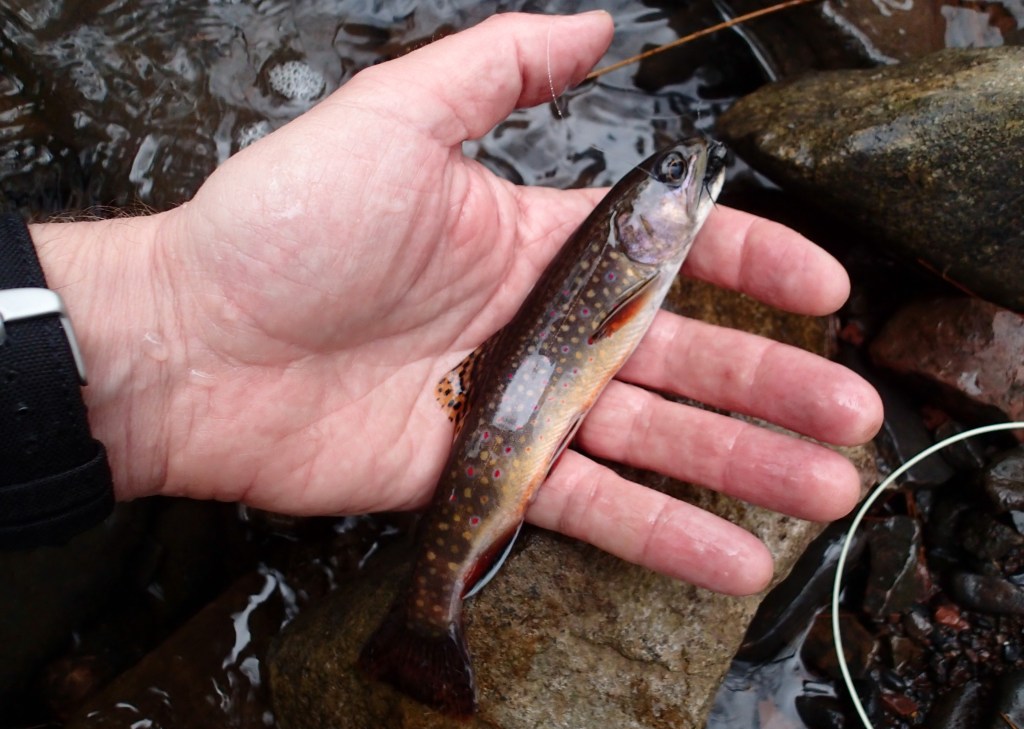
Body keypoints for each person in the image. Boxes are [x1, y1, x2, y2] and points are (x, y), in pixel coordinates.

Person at [20, 12, 881, 594]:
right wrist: (172, 300)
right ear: (632, 226)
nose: (684, 176)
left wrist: (148, 315)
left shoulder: (631, 257)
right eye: (670, 179)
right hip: (504, 420)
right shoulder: (624, 263)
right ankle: (435, 600)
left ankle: (439, 592)